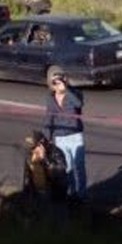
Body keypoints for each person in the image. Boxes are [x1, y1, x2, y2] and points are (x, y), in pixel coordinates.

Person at [43, 73, 88, 201]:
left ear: (65, 81)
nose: (56, 85)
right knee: (67, 168)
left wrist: (66, 90)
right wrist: (47, 138)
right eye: (53, 83)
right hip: (60, 138)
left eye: (58, 82)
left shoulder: (74, 93)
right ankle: (71, 193)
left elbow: (78, 104)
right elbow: (49, 118)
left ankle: (82, 195)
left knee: (79, 166)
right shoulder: (50, 98)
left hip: (75, 136)